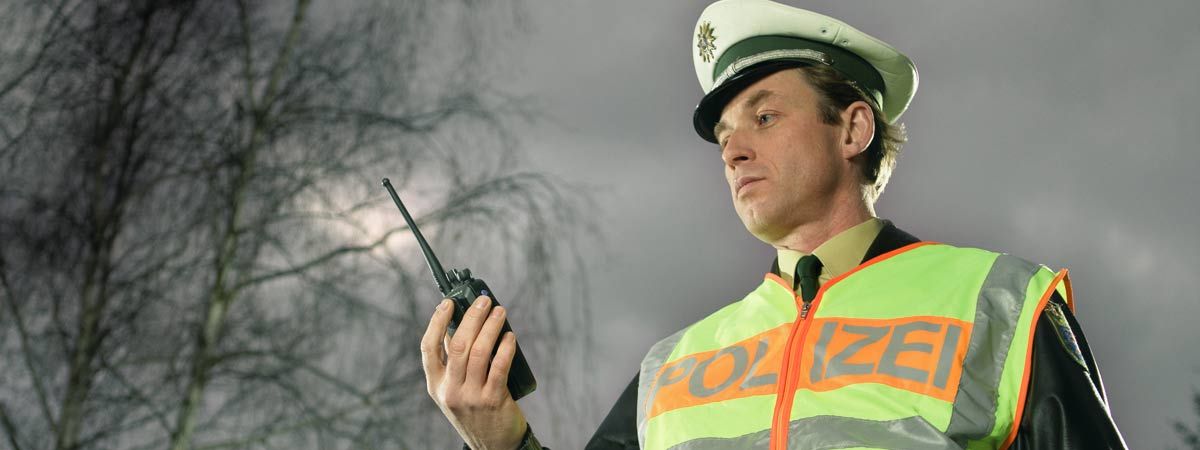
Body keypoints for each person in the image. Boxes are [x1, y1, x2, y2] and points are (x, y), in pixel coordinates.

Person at [420, 0, 1128, 448]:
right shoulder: (671, 368)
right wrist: (501, 441)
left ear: (852, 129)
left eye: (764, 116)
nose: (733, 150)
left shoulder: (1001, 303)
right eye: (725, 136)